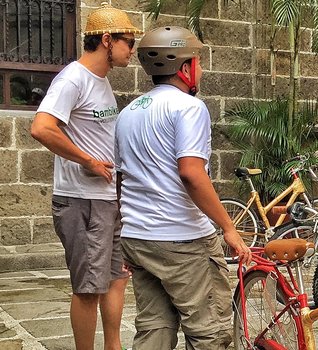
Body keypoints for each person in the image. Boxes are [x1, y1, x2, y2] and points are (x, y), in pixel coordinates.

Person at [115, 26, 250, 349]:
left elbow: (122, 179)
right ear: (186, 67)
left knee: (153, 329)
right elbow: (191, 173)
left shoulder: (127, 114)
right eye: (199, 62)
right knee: (209, 333)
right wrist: (228, 227)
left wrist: (124, 230)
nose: (201, 70)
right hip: (183, 238)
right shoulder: (189, 108)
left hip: (139, 238)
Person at [29, 4, 140, 349]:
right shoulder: (72, 78)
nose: (132, 51)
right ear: (107, 40)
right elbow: (42, 127)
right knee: (88, 288)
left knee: (117, 278)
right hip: (83, 200)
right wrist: (89, 161)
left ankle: (113, 345)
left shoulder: (100, 82)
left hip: (108, 199)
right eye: (129, 42)